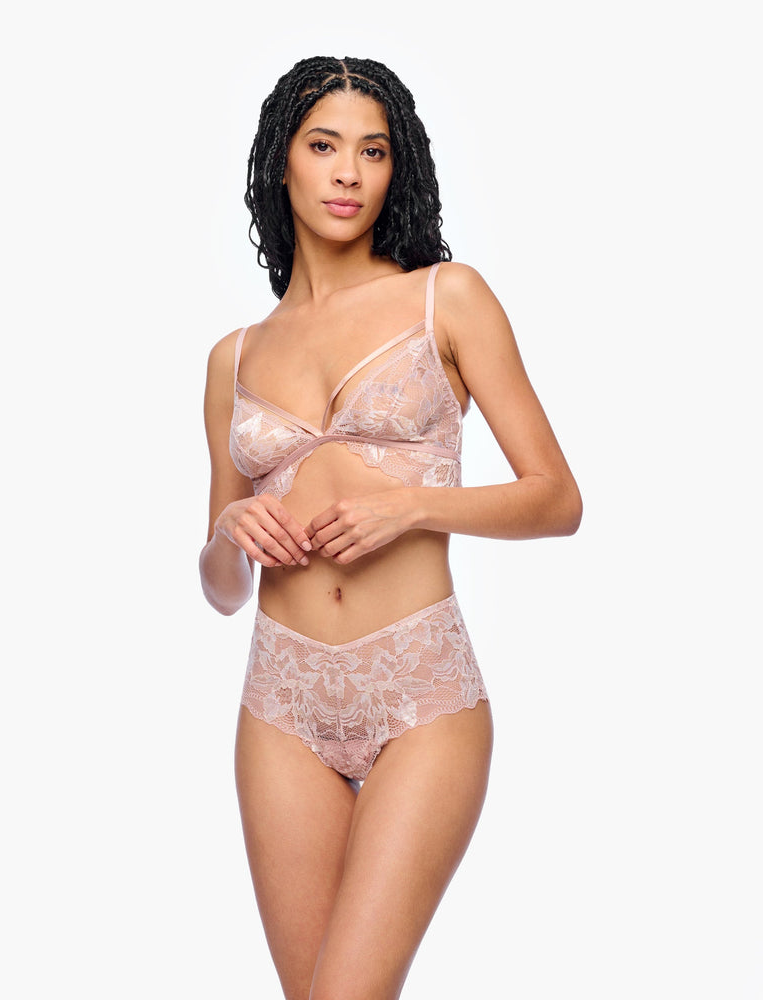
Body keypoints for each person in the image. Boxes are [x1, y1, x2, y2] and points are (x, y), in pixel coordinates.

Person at [199, 55, 582, 1000]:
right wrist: (231, 531)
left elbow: (557, 499)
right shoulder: (233, 357)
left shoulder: (447, 297)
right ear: (280, 161)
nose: (348, 173)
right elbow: (221, 589)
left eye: (373, 151)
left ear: (395, 167)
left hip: (421, 694)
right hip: (280, 705)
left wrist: (412, 505)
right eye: (323, 146)